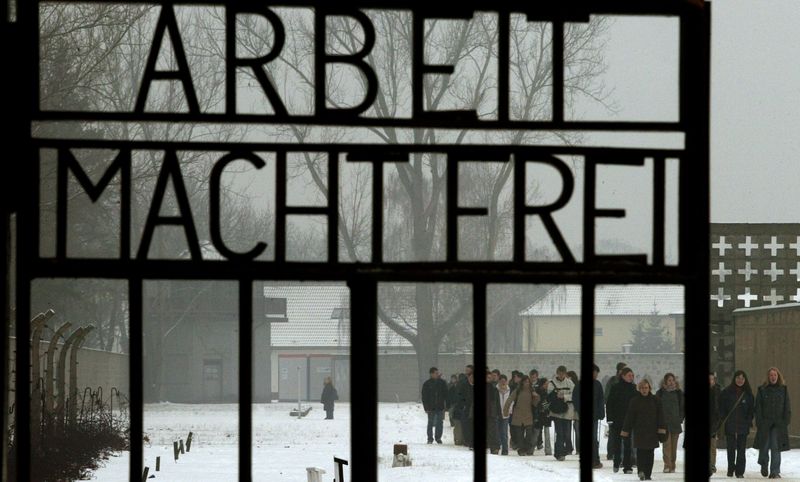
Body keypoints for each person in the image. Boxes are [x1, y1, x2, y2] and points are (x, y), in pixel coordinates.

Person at [621, 378, 666, 481]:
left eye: (646, 388)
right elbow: (629, 417)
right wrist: (625, 431)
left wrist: (662, 430)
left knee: (650, 453)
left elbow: (661, 416)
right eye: (642, 388)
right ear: (639, 389)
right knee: (641, 452)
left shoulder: (656, 400)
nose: (644, 390)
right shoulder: (635, 401)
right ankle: (641, 471)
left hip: (652, 431)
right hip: (640, 431)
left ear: (649, 388)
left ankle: (648, 474)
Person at [754, 367, 791, 479]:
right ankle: (763, 464)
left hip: (778, 424)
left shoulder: (783, 389)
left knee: (776, 447)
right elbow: (758, 407)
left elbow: (787, 407)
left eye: (775, 375)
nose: (773, 377)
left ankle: (775, 471)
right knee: (764, 446)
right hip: (765, 423)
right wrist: (759, 422)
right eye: (771, 375)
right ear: (768, 377)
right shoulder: (762, 389)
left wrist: (786, 421)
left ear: (778, 376)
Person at [719, 370, 754, 478]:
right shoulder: (726, 392)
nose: (740, 380)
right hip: (730, 424)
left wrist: (748, 421)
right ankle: (730, 469)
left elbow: (751, 410)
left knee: (741, 449)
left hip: (743, 425)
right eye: (738, 378)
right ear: (734, 379)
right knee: (730, 448)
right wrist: (723, 418)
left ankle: (740, 471)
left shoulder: (748, 394)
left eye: (742, 378)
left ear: (745, 380)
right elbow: (721, 407)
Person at [607, 367, 637, 474]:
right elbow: (610, 403)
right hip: (617, 419)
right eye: (629, 375)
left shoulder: (634, 388)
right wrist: (610, 418)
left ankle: (627, 466)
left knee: (628, 443)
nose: (631, 377)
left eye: (632, 375)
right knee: (617, 443)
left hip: (629, 420)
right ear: (623, 376)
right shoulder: (615, 387)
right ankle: (616, 462)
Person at [503, 374, 539, 456]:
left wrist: (536, 397)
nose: (527, 383)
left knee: (529, 434)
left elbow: (535, 403)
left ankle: (526, 448)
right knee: (520, 435)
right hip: (518, 415)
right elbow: (509, 400)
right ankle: (521, 450)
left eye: (528, 382)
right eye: (525, 382)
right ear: (522, 382)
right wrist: (505, 410)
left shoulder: (531, 391)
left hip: (528, 415)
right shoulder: (517, 390)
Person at [655, 373, 684, 474]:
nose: (671, 382)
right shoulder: (660, 393)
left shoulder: (679, 393)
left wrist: (680, 418)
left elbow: (682, 407)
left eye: (673, 380)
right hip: (664, 423)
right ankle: (667, 465)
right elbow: (656, 407)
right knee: (666, 445)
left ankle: (673, 465)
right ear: (665, 382)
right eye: (669, 380)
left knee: (674, 447)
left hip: (675, 423)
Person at [548, 365, 576, 461]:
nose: (561, 375)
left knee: (566, 434)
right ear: (557, 373)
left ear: (565, 373)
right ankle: (559, 453)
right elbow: (550, 396)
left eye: (563, 373)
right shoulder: (552, 383)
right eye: (559, 373)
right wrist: (557, 395)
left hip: (568, 412)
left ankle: (562, 450)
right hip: (556, 412)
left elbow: (574, 395)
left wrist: (564, 396)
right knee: (559, 433)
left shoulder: (569, 383)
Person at [605, 362, 627, 460]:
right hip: (614, 411)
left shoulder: (627, 381)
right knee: (613, 433)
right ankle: (611, 453)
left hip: (624, 412)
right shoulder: (612, 381)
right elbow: (607, 396)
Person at [421, 367, 448, 444]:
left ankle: (438, 437)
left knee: (440, 422)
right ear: (431, 374)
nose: (437, 374)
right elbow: (424, 397)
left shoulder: (442, 383)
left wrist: (446, 404)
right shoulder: (427, 384)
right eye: (436, 373)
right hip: (430, 407)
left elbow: (446, 394)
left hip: (440, 406)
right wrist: (426, 407)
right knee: (430, 422)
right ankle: (430, 438)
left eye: (437, 373)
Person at [486, 371, 503, 454]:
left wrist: (499, 413)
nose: (489, 379)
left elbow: (497, 402)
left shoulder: (494, 389)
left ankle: (495, 448)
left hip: (491, 413)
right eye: (488, 377)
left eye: (490, 378)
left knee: (493, 431)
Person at [536, 376, 553, 456]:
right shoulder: (540, 392)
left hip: (545, 414)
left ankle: (548, 450)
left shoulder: (547, 392)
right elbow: (541, 403)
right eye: (545, 384)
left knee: (544, 432)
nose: (547, 385)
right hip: (540, 414)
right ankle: (531, 448)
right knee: (537, 432)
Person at [710, 372, 721, 475]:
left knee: (713, 446)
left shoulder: (718, 391)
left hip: (714, 423)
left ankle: (712, 465)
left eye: (712, 379)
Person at [497, 374, 512, 455]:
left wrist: (509, 410)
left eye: (504, 381)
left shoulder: (509, 390)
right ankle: (496, 447)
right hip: (497, 414)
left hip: (505, 414)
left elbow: (511, 402)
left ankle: (505, 449)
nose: (503, 383)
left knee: (504, 432)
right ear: (499, 381)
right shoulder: (495, 390)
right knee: (497, 431)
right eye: (501, 381)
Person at [567, 370, 580, 455]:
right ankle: (571, 448)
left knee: (576, 430)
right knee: (570, 430)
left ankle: (576, 449)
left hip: (575, 410)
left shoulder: (576, 386)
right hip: (569, 410)